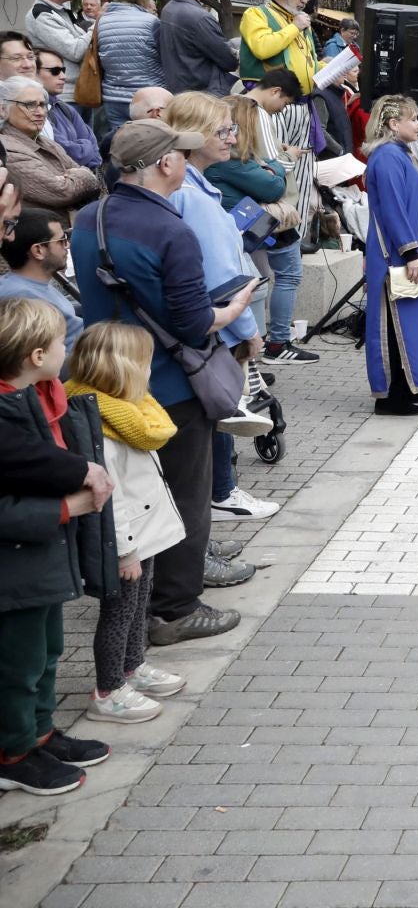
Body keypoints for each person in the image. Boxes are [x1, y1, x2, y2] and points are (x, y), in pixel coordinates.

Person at [71, 120, 256, 646]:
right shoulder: (172, 231)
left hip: (106, 375)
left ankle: (134, 600)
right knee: (183, 496)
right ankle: (175, 608)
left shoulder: (90, 217)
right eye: (180, 154)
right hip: (167, 384)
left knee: (132, 495)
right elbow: (195, 322)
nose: (185, 162)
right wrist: (235, 307)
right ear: (164, 164)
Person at [0, 295, 115, 795]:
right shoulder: (8, 413)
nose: (67, 348)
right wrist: (67, 509)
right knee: (17, 664)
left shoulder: (36, 394)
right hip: (15, 567)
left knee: (47, 651)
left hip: (43, 560)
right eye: (59, 342)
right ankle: (14, 751)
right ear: (36, 357)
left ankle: (39, 732)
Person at [162, 93, 277, 537]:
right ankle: (222, 494)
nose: (232, 138)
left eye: (231, 129)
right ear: (192, 137)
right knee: (219, 406)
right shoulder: (193, 197)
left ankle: (220, 496)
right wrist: (248, 332)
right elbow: (223, 276)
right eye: (223, 131)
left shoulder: (196, 188)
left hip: (211, 320)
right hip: (219, 322)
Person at [67, 323, 189, 725]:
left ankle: (132, 667)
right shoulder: (103, 429)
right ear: (122, 370)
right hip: (126, 540)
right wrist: (125, 550)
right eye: (145, 364)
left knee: (139, 604)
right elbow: (112, 499)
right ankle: (108, 690)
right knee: (119, 611)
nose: (150, 372)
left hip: (143, 532)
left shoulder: (127, 413)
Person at [361, 96, 418, 417]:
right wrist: (410, 252)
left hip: (406, 254)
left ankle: (406, 386)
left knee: (408, 320)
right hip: (397, 256)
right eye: (413, 119)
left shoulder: (398, 154)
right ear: (392, 124)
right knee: (393, 323)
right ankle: (391, 396)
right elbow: (392, 209)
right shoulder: (388, 157)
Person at [207, 95, 305, 367]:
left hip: (253, 228)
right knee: (272, 281)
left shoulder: (232, 159)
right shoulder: (231, 160)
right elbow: (273, 187)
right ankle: (273, 344)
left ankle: (261, 350)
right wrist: (280, 162)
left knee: (263, 282)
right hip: (249, 228)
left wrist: (270, 166)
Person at [0, 75, 100, 223]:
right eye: (29, 105)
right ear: (2, 110)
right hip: (35, 239)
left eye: (42, 104)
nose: (40, 112)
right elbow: (61, 192)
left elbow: (89, 181)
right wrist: (84, 176)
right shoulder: (6, 148)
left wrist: (76, 178)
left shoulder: (46, 142)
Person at [0, 207, 81, 350]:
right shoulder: (23, 299)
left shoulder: (27, 286)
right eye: (62, 240)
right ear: (38, 251)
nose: (67, 245)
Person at [96, 0, 164, 137]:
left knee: (121, 147)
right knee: (148, 149)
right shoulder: (151, 22)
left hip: (113, 96)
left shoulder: (102, 21)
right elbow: (164, 56)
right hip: (148, 98)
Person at [158, 0, 238, 95]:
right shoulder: (199, 18)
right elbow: (229, 61)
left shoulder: (168, 9)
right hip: (202, 98)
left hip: (179, 94)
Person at [237, 0, 318, 94]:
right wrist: (295, 27)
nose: (305, 1)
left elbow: (306, 61)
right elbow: (262, 48)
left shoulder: (298, 19)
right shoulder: (255, 13)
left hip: (304, 102)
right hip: (271, 102)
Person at [27, 0, 96, 105]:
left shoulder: (62, 11)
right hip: (62, 96)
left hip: (79, 91)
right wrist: (98, 24)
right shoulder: (42, 15)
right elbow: (75, 51)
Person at [35, 50, 99, 169]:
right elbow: (67, 151)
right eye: (55, 71)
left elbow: (94, 148)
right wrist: (85, 149)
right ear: (34, 72)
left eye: (63, 70)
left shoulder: (64, 108)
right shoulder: (34, 111)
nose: (63, 76)